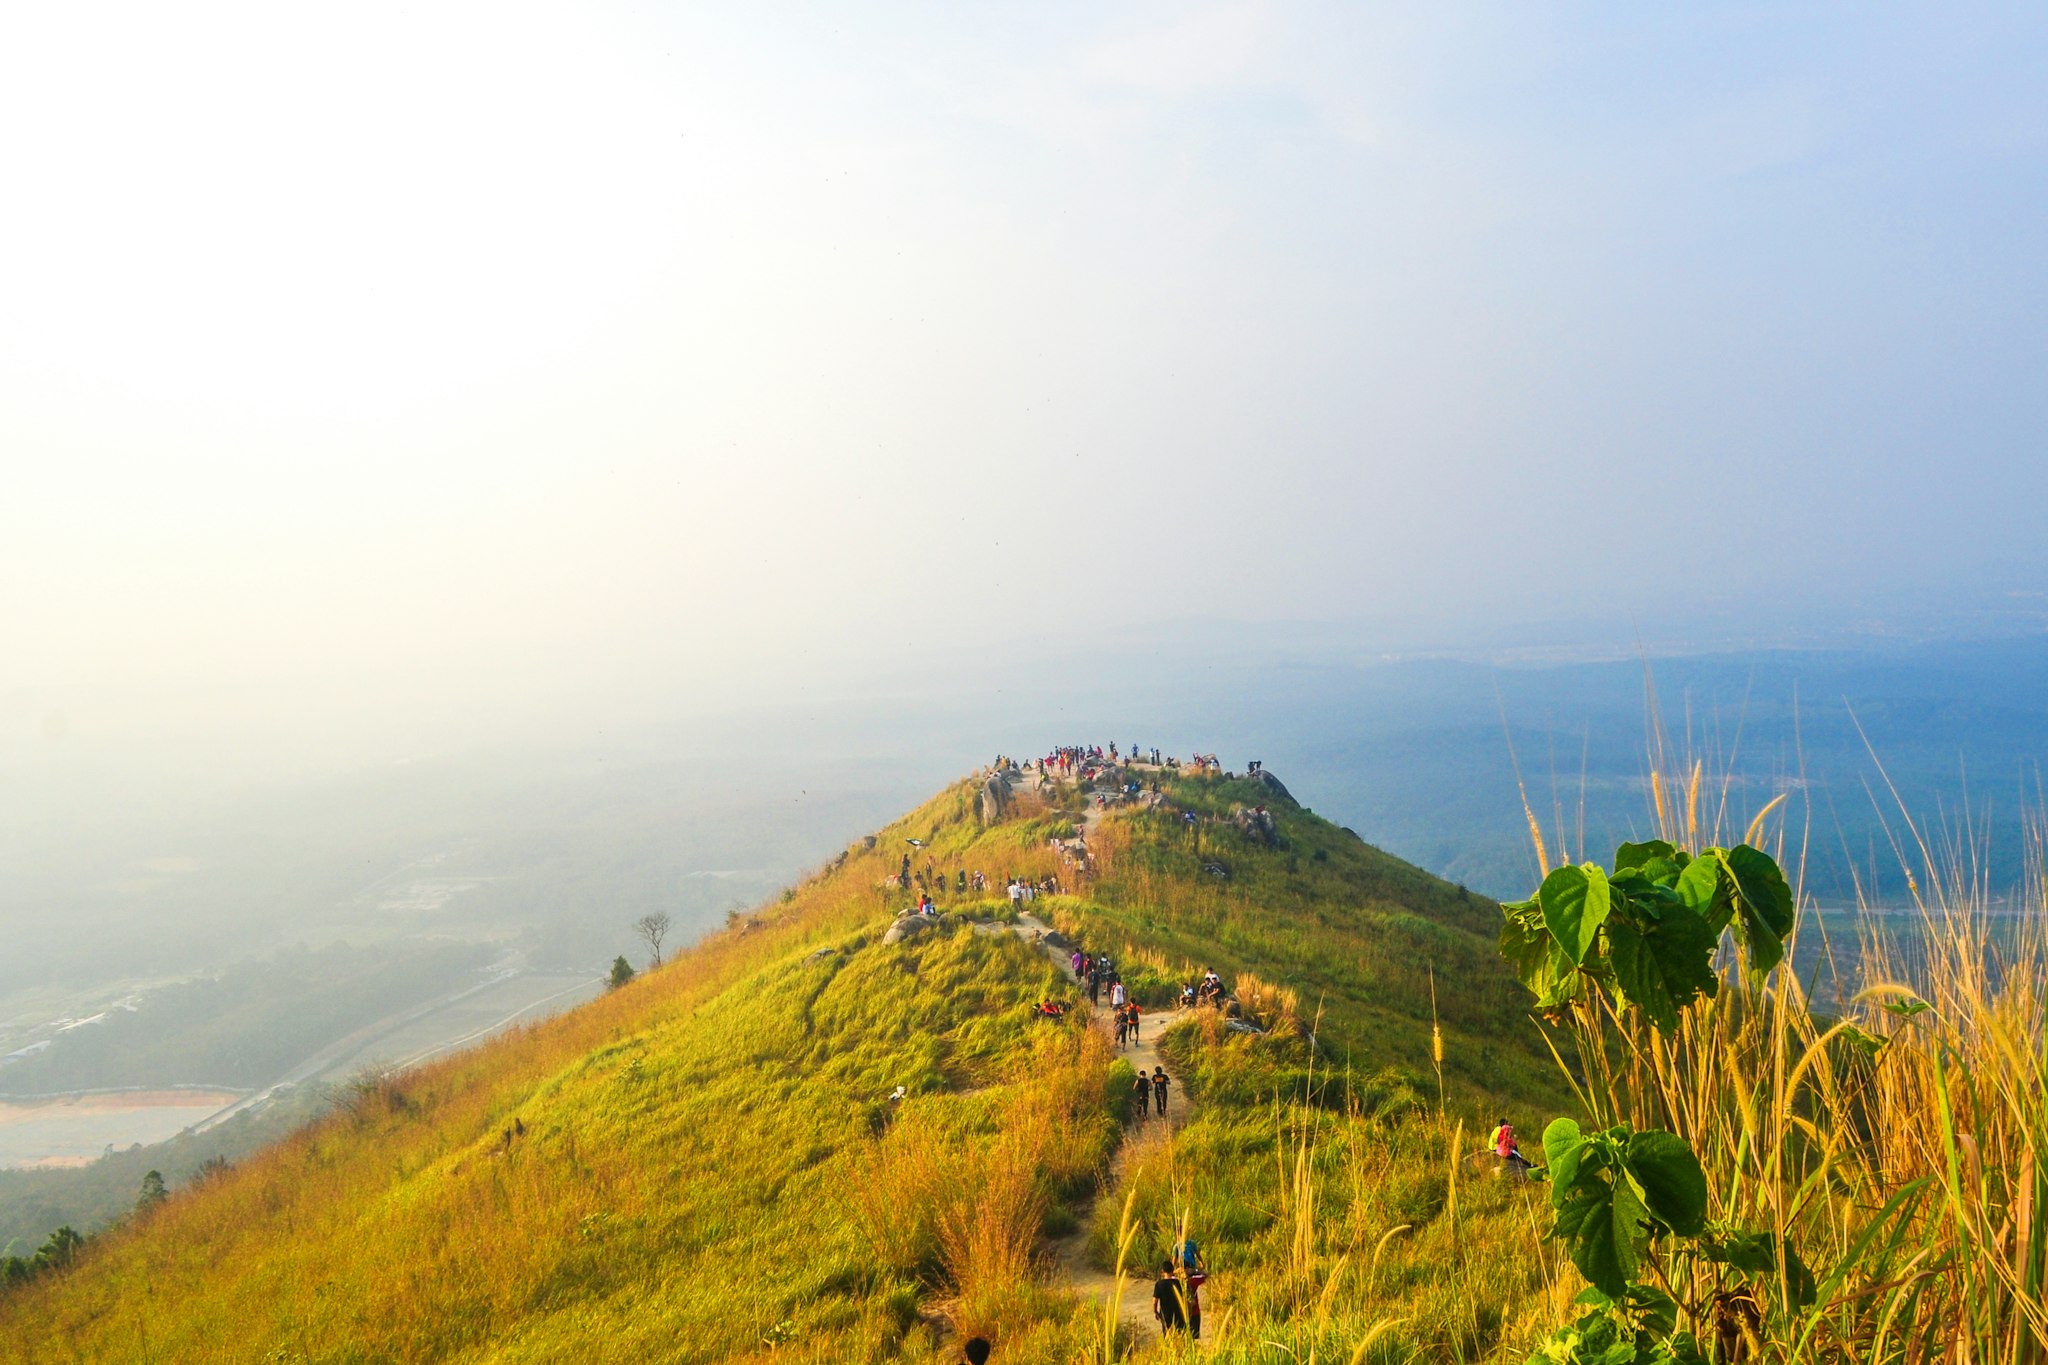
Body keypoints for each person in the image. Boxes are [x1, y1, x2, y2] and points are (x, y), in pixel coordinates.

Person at [1151, 1259, 1186, 1335]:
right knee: (1180, 1334)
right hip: (1177, 1313)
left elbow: (1154, 1302)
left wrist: (1156, 1312)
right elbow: (1182, 1298)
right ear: (1172, 1270)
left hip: (1165, 1313)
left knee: (1167, 1335)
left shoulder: (1159, 1284)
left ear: (1162, 1271)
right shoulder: (1177, 1283)